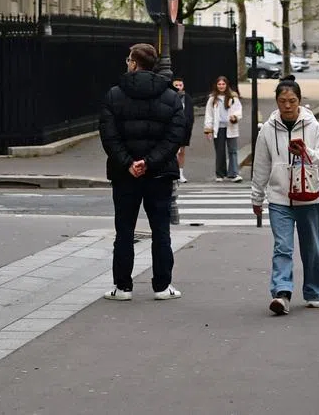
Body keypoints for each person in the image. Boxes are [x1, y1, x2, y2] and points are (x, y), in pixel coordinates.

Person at [98, 43, 185, 301]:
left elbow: (109, 135)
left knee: (124, 231)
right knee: (161, 231)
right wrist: (150, 162)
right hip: (159, 174)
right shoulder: (170, 96)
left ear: (135, 64)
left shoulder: (114, 95)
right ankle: (162, 286)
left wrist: (129, 163)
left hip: (125, 175)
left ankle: (123, 286)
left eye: (128, 60)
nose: (127, 63)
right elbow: (174, 137)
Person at [251, 78, 319, 314]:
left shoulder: (315, 128)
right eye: (283, 101)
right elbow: (261, 165)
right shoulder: (267, 130)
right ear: (277, 102)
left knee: (311, 247)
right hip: (279, 197)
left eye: (292, 101)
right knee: (282, 247)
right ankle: (281, 293)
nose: (287, 106)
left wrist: (306, 153)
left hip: (310, 197)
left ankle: (314, 291)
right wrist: (257, 197)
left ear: (300, 101)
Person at [203, 75, 243, 182]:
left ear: (227, 85)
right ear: (216, 85)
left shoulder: (233, 97)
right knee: (220, 151)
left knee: (233, 150)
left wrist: (235, 117)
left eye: (223, 84)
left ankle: (234, 173)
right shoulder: (212, 98)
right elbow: (209, 114)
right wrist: (208, 130)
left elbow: (239, 110)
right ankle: (220, 174)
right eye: (219, 84)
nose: (221, 86)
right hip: (218, 127)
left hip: (231, 126)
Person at [172, 77, 195, 183]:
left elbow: (190, 114)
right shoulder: (169, 97)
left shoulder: (187, 98)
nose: (178, 87)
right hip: (172, 128)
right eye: (176, 85)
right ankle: (173, 172)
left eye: (180, 85)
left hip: (183, 129)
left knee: (181, 151)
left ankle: (180, 173)